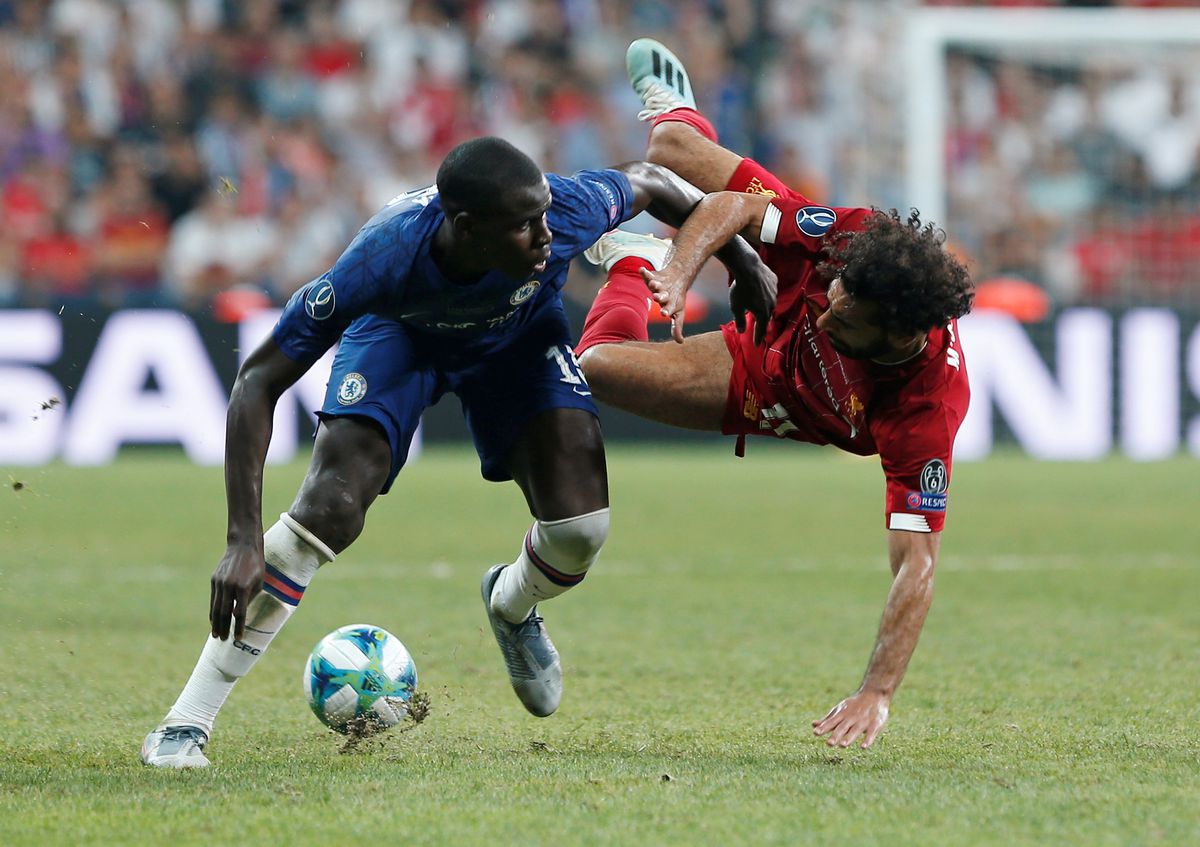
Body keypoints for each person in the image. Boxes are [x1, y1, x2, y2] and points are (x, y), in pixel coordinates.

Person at [140, 136, 774, 768]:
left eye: (543, 217)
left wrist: (742, 261)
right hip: (402, 339)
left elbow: (652, 179)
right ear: (467, 230)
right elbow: (257, 381)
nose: (546, 235)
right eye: (525, 226)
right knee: (327, 507)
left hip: (518, 340)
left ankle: (511, 601)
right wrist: (241, 540)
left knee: (581, 530)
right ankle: (185, 723)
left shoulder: (564, 209)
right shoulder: (381, 259)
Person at [576, 40, 975, 750]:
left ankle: (629, 264)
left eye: (846, 319)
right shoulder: (854, 241)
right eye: (837, 297)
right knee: (668, 148)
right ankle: (678, 120)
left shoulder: (926, 407)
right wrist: (682, 269)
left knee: (599, 367)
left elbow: (917, 564)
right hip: (770, 273)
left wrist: (877, 690)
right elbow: (732, 206)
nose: (829, 313)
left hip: (764, 386)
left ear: (896, 332)